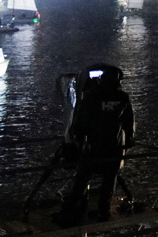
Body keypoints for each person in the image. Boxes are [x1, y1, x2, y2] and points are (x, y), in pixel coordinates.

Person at [59, 66, 135, 224]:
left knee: (82, 179)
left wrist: (77, 140)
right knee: (109, 180)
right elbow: (128, 121)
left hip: (93, 147)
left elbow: (81, 121)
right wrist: (129, 140)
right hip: (114, 147)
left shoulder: (91, 97)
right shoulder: (122, 98)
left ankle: (71, 210)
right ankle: (103, 212)